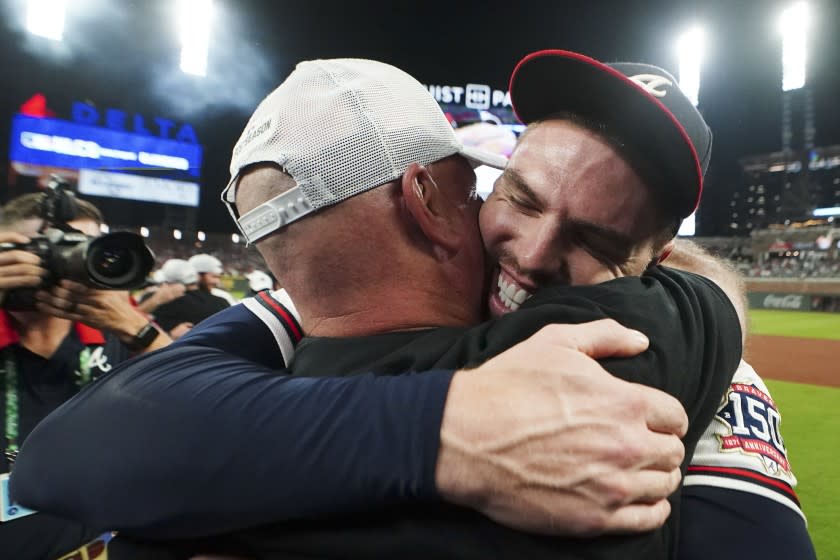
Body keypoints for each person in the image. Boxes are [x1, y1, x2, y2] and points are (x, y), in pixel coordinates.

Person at [14, 56, 743, 559]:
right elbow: (711, 300)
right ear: (427, 200)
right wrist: (441, 429)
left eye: (595, 238)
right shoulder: (645, 347)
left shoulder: (194, 469)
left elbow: (58, 459)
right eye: (508, 195)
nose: (530, 253)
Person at [0, 193, 171, 559]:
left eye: (84, 249)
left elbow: (203, 410)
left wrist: (140, 331)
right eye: (49, 248)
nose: (70, 264)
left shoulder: (118, 337)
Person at [151, 257, 229, 336]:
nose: (217, 281)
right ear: (197, 275)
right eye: (214, 276)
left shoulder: (162, 302)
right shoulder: (222, 302)